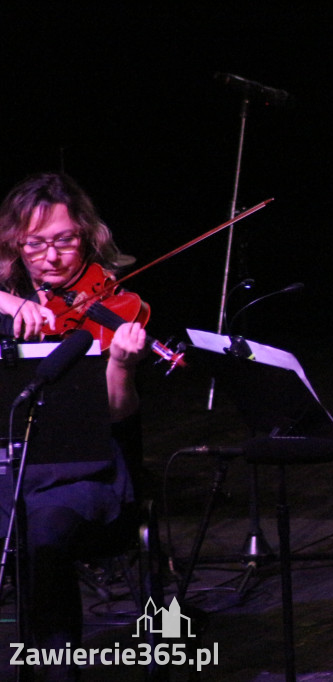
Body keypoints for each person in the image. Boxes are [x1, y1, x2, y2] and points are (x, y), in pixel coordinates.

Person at [0, 172, 147, 680]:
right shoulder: (9, 297)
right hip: (10, 468)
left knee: (41, 532)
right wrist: (12, 302)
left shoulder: (115, 309)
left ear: (86, 235)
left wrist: (123, 364)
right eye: (35, 243)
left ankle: (56, 671)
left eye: (65, 240)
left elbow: (116, 414)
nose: (52, 257)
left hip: (88, 476)